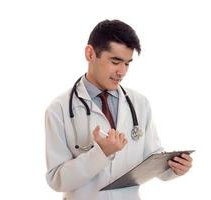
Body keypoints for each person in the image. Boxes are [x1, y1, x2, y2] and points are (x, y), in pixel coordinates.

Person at [45, 19, 193, 200]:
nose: (122, 72)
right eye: (115, 62)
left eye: (127, 63)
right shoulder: (58, 109)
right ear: (90, 53)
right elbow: (57, 181)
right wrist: (101, 153)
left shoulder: (140, 103)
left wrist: (173, 168)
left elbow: (151, 157)